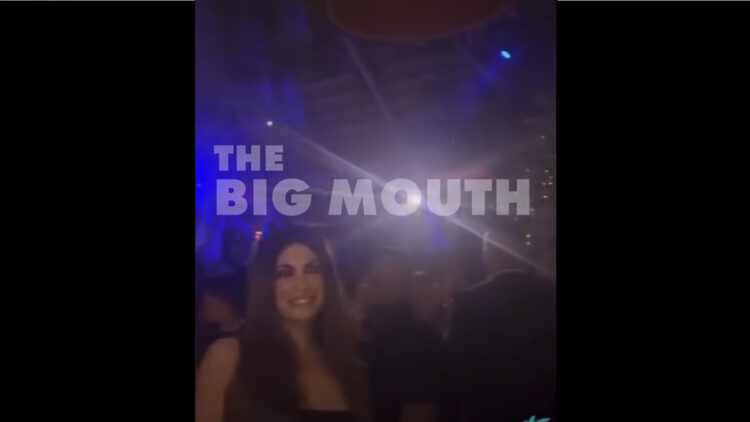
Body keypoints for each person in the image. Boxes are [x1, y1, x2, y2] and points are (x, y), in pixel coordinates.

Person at [196, 225, 369, 422]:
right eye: (285, 273)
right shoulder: (228, 357)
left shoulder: (350, 366)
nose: (302, 285)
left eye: (312, 269)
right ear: (266, 284)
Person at [446, 227, 556, 422]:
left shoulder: (469, 301)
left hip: (489, 411)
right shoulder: (549, 294)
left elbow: (456, 366)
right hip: (542, 411)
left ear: (488, 254)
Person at [195, 273, 246, 368]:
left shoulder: (248, 334)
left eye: (206, 300)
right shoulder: (205, 334)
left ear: (220, 301)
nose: (203, 307)